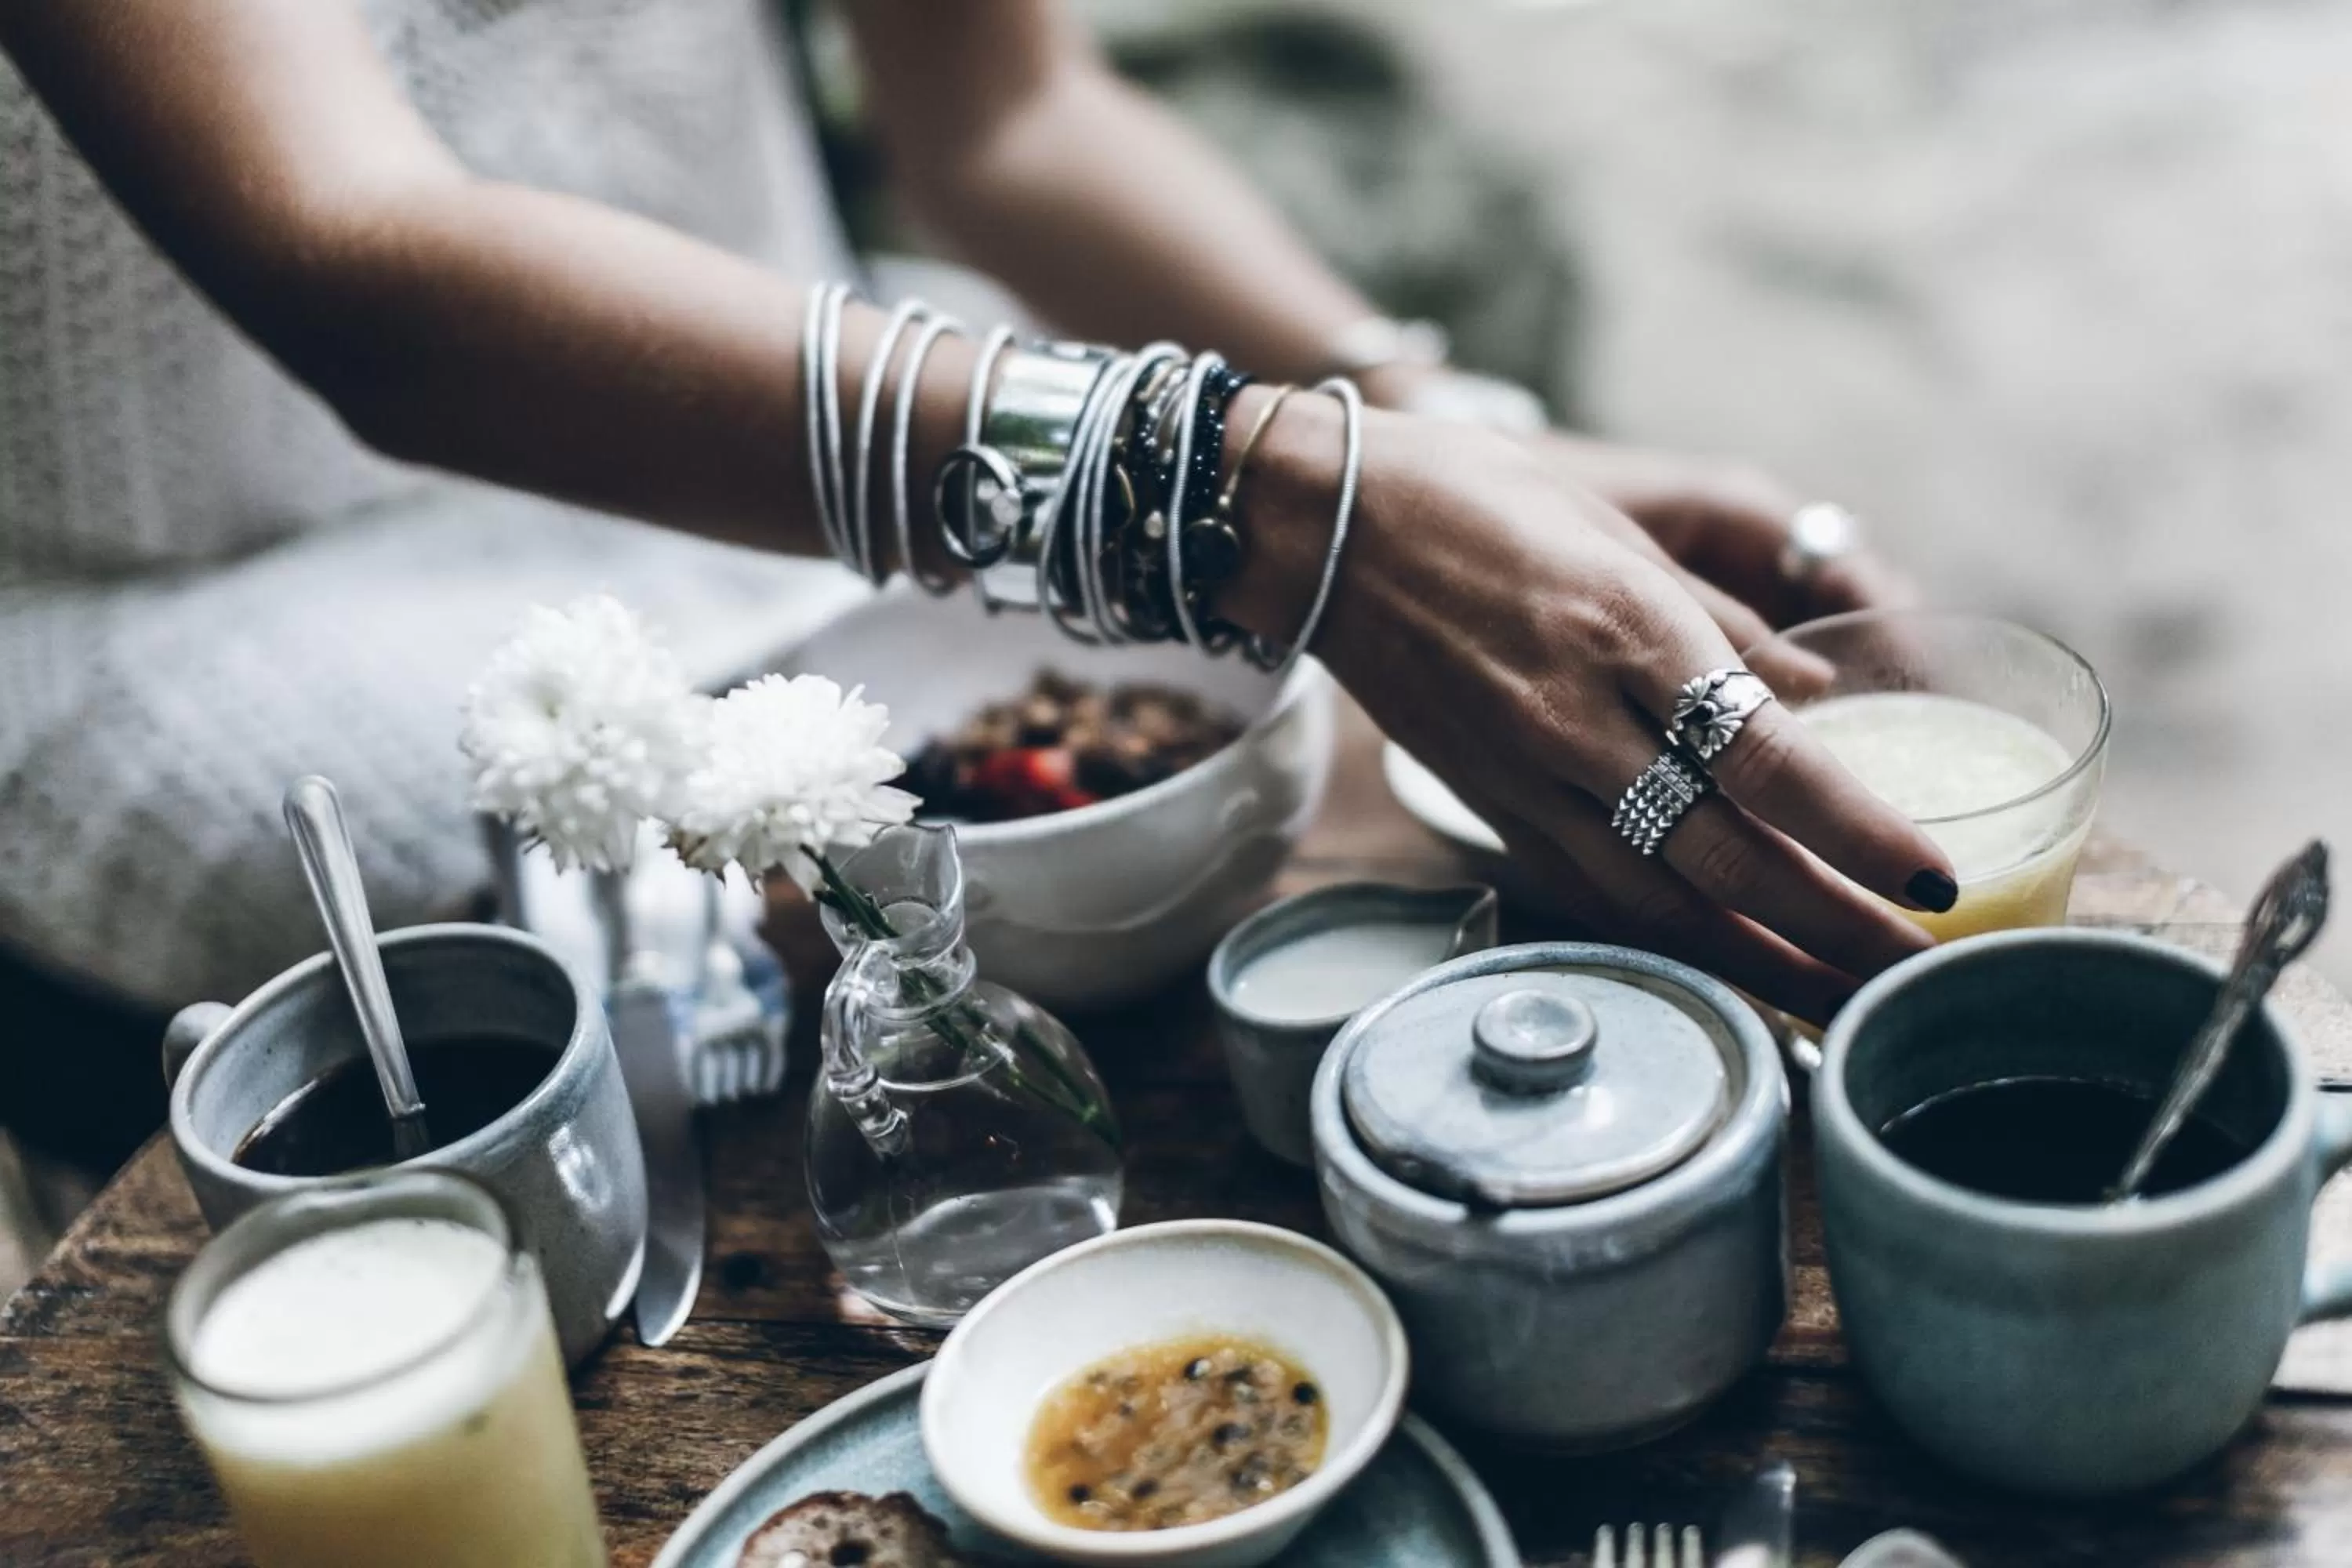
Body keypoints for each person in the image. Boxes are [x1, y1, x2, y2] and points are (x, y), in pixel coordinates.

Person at [0, 0, 1955, 1163]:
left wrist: (1420, 424)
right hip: (218, 604)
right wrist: (1281, 504)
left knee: (1309, 831)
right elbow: (361, 268)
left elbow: (1006, 120)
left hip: (815, 394)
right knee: (872, 1004)